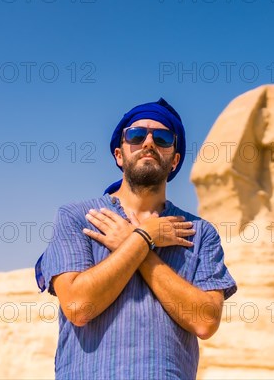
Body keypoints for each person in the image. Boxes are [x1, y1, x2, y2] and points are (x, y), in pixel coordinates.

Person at [34, 98, 237, 379]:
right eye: (137, 135)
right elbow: (79, 307)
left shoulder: (200, 233)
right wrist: (145, 236)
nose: (149, 143)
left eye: (163, 138)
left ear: (175, 160)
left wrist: (136, 241)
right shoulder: (79, 217)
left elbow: (204, 322)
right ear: (119, 154)